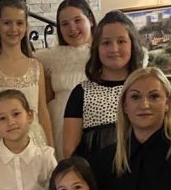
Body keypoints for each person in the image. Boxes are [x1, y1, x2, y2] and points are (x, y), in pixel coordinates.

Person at [62, 10, 145, 163]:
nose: (114, 49)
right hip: (95, 172)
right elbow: (69, 150)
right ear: (97, 48)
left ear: (132, 44)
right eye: (106, 43)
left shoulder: (145, 88)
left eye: (121, 41)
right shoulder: (81, 92)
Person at [0, 0, 53, 151]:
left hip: (35, 144)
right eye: (7, 23)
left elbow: (43, 111)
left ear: (26, 26)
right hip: (2, 143)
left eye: (19, 23)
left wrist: (51, 150)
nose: (13, 29)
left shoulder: (36, 67)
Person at [36, 0, 96, 148]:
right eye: (65, 24)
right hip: (59, 126)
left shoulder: (104, 55)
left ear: (90, 20)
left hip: (94, 124)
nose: (72, 28)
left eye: (77, 20)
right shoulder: (50, 59)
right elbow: (45, 100)